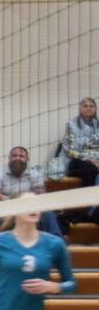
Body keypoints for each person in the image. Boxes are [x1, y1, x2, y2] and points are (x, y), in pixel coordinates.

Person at [0, 146, 62, 236]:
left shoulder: (35, 174)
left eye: (21, 156)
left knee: (47, 211)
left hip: (27, 208)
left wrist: (21, 203)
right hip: (3, 208)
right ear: (9, 158)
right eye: (14, 156)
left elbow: (40, 196)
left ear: (27, 159)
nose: (17, 158)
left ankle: (57, 239)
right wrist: (19, 201)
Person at [61, 96, 99, 232]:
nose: (88, 108)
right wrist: (90, 160)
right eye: (85, 105)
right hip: (78, 162)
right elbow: (69, 150)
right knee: (90, 169)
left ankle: (94, 211)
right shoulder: (71, 125)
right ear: (80, 109)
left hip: (96, 162)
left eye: (91, 105)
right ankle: (84, 208)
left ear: (95, 109)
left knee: (93, 169)